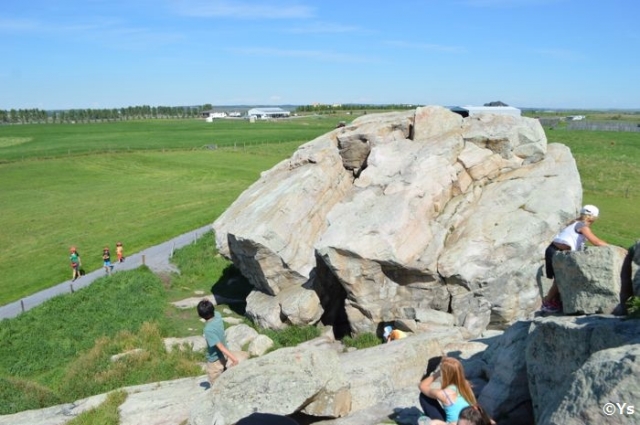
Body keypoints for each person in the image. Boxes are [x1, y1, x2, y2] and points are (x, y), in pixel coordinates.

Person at [541, 204, 608, 313]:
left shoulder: (576, 223)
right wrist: (613, 248)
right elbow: (596, 242)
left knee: (560, 278)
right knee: (559, 279)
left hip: (555, 250)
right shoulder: (582, 226)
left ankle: (554, 301)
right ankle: (547, 303)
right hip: (556, 252)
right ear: (592, 217)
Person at [419, 357, 476, 425]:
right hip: (468, 421)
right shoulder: (466, 385)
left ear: (444, 374)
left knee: (423, 396)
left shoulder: (445, 394)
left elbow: (422, 386)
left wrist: (437, 373)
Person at [197, 299, 239, 385]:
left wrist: (234, 359)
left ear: (200, 315)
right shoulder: (218, 315)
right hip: (224, 355)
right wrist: (207, 303)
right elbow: (212, 310)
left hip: (215, 360)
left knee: (215, 383)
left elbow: (220, 347)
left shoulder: (208, 330)